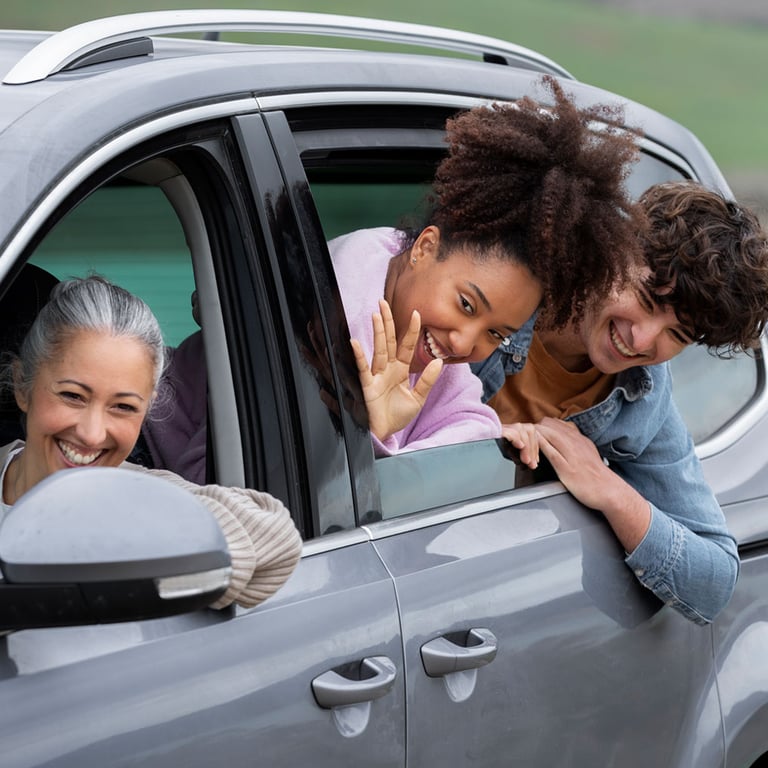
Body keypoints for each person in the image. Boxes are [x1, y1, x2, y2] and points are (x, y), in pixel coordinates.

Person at [472, 179, 768, 624]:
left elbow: (714, 580)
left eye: (678, 335)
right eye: (647, 300)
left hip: (491, 597)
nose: (643, 339)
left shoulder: (643, 397)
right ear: (616, 248)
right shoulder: (491, 284)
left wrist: (608, 489)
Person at [336, 75, 646, 455]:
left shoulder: (424, 334)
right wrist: (375, 434)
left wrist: (497, 437)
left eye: (497, 335)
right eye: (467, 305)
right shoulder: (340, 310)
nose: (465, 344)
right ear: (425, 247)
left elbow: (472, 420)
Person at [0, 275, 302, 610]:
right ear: (21, 387)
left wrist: (136, 531)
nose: (92, 433)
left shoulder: (142, 494)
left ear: (148, 408)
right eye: (72, 396)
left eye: (123, 407)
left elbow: (277, 538)